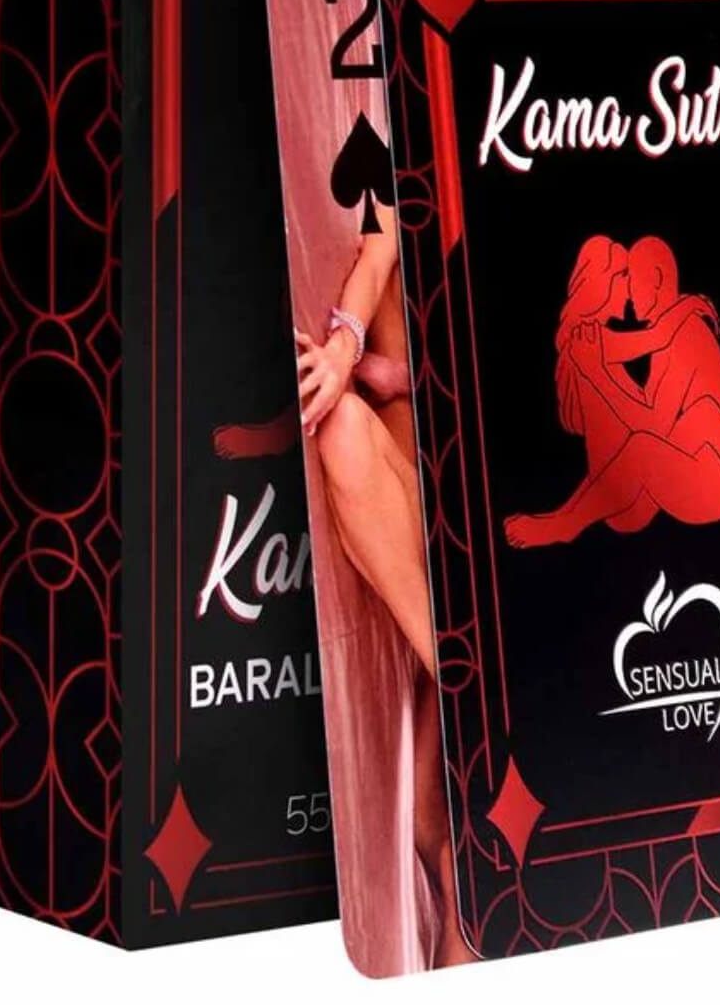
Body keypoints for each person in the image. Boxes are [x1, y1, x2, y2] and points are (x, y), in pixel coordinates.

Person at [294, 199, 474, 967]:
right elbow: (380, 248)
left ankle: (468, 921)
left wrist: (405, 376)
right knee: (339, 429)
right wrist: (346, 350)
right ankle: (465, 677)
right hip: (411, 506)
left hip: (483, 521)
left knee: (440, 817)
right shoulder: (400, 183)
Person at [505, 235, 720, 548]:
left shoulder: (686, 334)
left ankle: (567, 523)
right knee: (687, 420)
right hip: (640, 490)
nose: (630, 293)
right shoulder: (591, 339)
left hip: (700, 491)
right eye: (623, 279)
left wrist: (599, 374)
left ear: (655, 280)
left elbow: (653, 426)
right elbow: (650, 421)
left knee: (699, 415)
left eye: (632, 280)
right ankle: (568, 522)